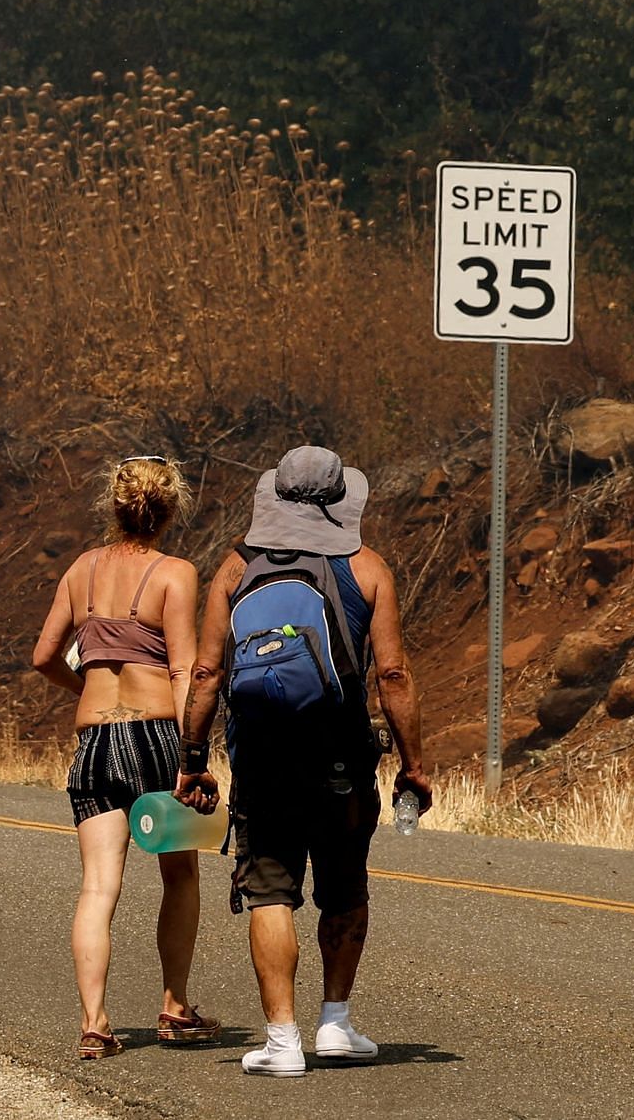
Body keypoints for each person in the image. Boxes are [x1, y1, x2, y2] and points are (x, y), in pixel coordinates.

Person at [177, 444, 429, 1077]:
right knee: (344, 885)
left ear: (275, 496)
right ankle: (336, 1024)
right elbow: (393, 673)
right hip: (341, 757)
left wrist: (193, 755)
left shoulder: (235, 569)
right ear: (343, 498)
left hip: (261, 757)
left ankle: (282, 1039)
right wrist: (414, 763)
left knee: (271, 891)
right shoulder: (367, 568)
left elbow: (208, 670)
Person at [29, 454, 218, 1061]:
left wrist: (85, 688)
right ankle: (174, 1005)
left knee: (98, 886)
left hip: (94, 743)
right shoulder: (175, 573)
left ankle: (94, 1023)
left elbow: (43, 657)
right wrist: (195, 756)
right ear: (170, 510)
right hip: (157, 734)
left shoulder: (80, 571)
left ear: (113, 505)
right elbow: (186, 667)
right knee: (179, 872)